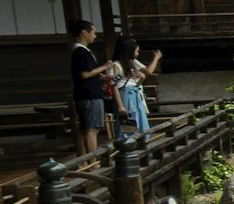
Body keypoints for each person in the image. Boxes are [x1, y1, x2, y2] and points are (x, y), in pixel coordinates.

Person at [68, 19, 111, 154]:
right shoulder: (82, 52)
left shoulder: (78, 51)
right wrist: (104, 67)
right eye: (93, 32)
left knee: (84, 128)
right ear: (84, 33)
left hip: (84, 93)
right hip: (90, 94)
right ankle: (93, 161)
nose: (95, 35)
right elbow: (85, 74)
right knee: (92, 129)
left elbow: (87, 73)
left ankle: (83, 160)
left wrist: (102, 76)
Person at [111, 36, 163, 136]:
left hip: (135, 94)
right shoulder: (117, 65)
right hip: (126, 95)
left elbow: (141, 79)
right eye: (136, 51)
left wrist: (141, 78)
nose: (138, 54)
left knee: (141, 121)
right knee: (130, 124)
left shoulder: (132, 63)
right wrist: (120, 106)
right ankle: (130, 146)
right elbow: (115, 85)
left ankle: (143, 142)